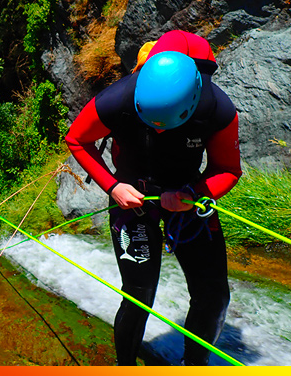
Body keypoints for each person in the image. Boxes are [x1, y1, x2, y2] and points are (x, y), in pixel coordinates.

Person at [65, 30, 242, 366]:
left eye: (167, 124)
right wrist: (112, 186)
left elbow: (228, 169)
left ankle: (193, 367)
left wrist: (194, 195)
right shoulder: (118, 98)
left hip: (187, 196)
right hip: (132, 196)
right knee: (139, 294)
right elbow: (76, 139)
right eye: (152, 122)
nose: (159, 131)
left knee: (214, 296)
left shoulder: (216, 109)